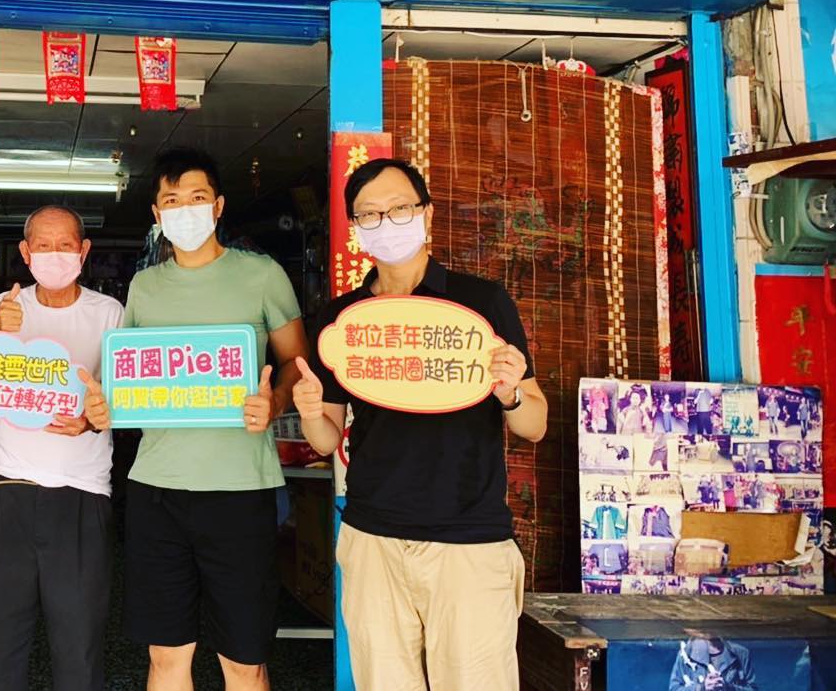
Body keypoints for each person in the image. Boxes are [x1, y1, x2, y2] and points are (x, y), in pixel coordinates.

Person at [292, 158, 548, 691]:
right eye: (369, 214)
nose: (385, 223)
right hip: (373, 537)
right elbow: (327, 438)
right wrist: (312, 410)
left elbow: (535, 424)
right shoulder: (343, 320)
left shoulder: (481, 303)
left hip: (468, 541)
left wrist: (510, 393)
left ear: (426, 213)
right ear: (355, 227)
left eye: (399, 209)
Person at [82, 147, 308, 691]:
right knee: (165, 655)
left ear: (218, 206)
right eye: (172, 201)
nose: (185, 210)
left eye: (197, 198)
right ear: (157, 214)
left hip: (241, 491)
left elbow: (297, 365)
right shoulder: (145, 286)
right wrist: (102, 407)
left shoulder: (262, 276)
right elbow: (127, 379)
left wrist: (276, 401)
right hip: (157, 491)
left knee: (244, 661)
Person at [0, 206, 123, 691]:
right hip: (8, 486)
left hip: (82, 491)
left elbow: (122, 400)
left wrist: (91, 419)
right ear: (25, 251)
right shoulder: (5, 306)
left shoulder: (110, 313)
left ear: (84, 251)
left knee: (79, 642)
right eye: (44, 245)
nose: (55, 254)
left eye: (66, 245)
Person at [669, 637, 757, 690]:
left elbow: (752, 688)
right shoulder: (686, 654)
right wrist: (701, 688)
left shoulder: (741, 654)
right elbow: (674, 688)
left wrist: (729, 688)